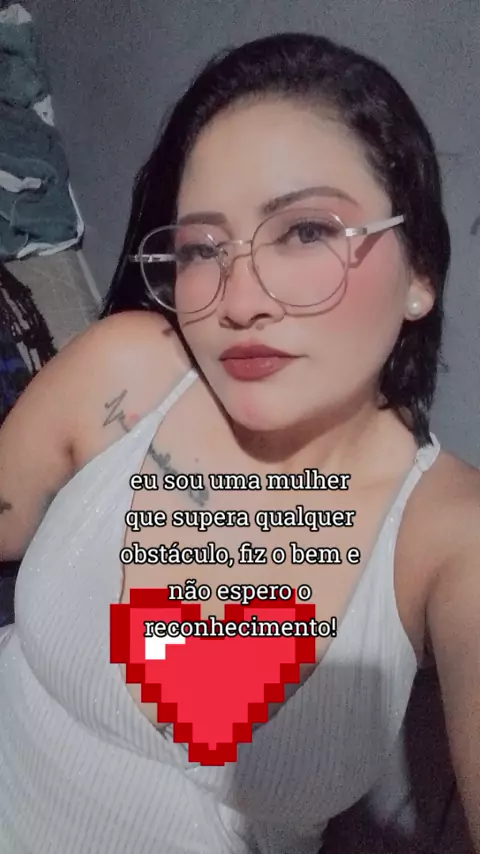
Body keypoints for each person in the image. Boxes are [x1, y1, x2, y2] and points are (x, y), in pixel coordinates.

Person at [0, 31, 478, 854]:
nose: (240, 299)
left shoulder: (446, 539)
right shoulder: (130, 371)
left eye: (305, 231)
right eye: (203, 247)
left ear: (420, 274)